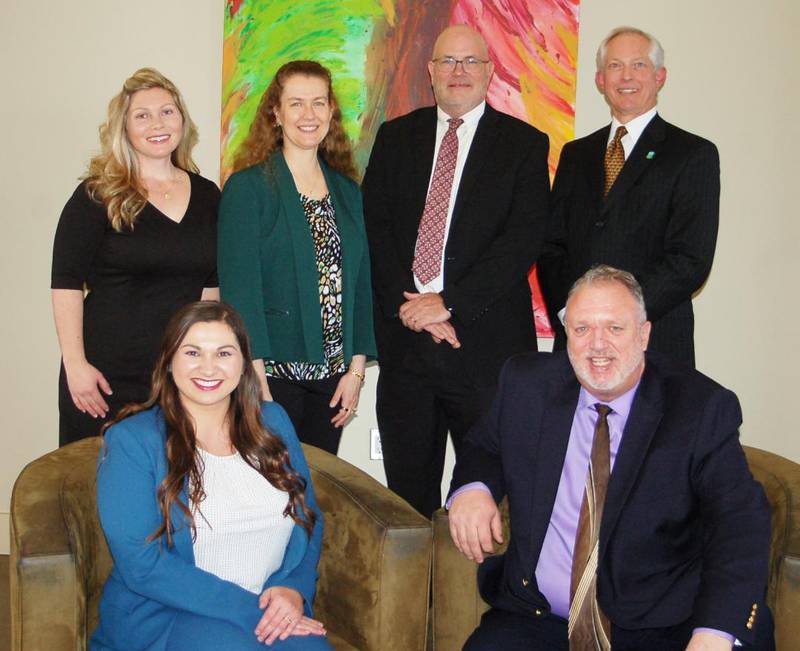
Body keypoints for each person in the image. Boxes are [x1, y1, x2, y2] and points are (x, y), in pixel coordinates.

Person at [447, 265, 773, 650]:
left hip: (658, 625)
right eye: (582, 329)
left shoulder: (698, 409)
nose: (597, 345)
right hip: (537, 619)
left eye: (614, 328)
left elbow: (740, 522)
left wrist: (714, 632)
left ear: (644, 334)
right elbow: (484, 445)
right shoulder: (527, 385)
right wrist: (472, 488)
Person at [361, 25, 550, 518]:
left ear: (489, 72)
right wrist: (416, 310)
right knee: (406, 504)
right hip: (407, 353)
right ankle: (416, 597)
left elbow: (521, 241)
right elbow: (374, 231)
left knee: (486, 500)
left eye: (470, 62)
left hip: (484, 356)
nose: (458, 72)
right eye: (447, 61)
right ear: (431, 71)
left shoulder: (524, 145)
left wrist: (448, 303)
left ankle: (477, 598)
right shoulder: (396, 137)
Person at [92, 301, 331, 651]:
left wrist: (293, 588)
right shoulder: (132, 440)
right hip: (169, 614)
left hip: (266, 605)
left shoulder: (273, 422)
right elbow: (142, 564)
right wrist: (252, 610)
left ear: (243, 364)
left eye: (223, 353)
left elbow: (309, 517)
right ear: (169, 362)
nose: (208, 367)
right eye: (192, 352)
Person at [51, 68, 220, 446]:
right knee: (97, 490)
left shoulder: (209, 196)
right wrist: (75, 365)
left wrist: (207, 364)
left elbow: (210, 289)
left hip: (178, 376)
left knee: (172, 491)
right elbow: (65, 283)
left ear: (182, 120)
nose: (157, 123)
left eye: (167, 112)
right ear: (124, 128)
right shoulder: (97, 195)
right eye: (142, 115)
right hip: (104, 377)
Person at [219, 60, 376, 456]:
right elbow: (241, 292)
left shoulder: (347, 191)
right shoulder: (248, 188)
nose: (309, 115)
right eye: (296, 104)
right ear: (276, 113)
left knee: (316, 491)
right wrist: (254, 382)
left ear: (330, 113)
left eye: (319, 103)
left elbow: (360, 284)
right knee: (271, 493)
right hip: (273, 376)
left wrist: (356, 371)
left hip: (334, 379)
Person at [538, 26, 720, 368]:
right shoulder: (576, 154)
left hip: (655, 337)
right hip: (577, 344)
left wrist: (621, 315)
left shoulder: (692, 154)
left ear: (659, 76)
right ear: (600, 80)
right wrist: (573, 312)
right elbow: (551, 246)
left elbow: (690, 259)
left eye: (638, 65)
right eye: (615, 66)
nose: (626, 76)